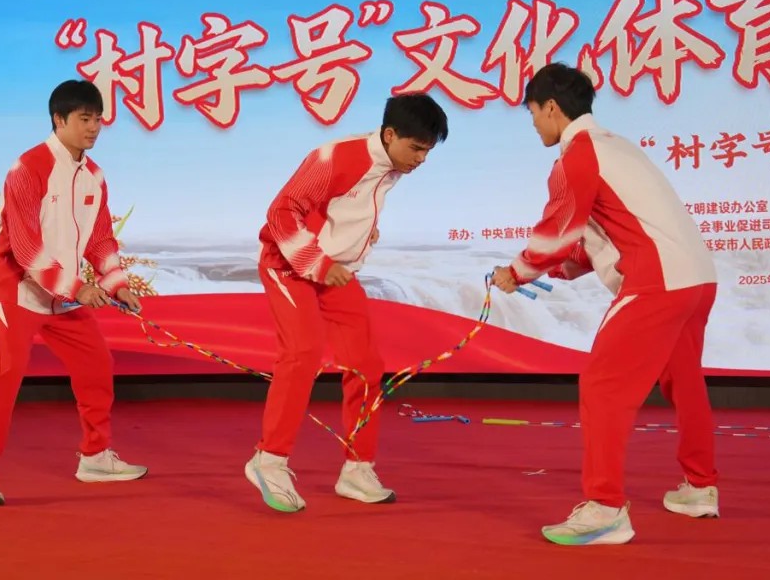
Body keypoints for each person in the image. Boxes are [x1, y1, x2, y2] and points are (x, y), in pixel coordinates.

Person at [491, 63, 720, 545]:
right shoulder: (617, 147)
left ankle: (606, 509)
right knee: (685, 382)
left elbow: (559, 228)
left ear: (551, 108)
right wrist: (550, 271)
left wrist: (517, 271)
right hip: (697, 278)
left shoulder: (578, 154)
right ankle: (700, 488)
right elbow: (601, 235)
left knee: (601, 385)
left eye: (532, 113)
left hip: (657, 281)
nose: (533, 124)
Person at [246, 93, 449, 513]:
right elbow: (281, 213)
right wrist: (319, 264)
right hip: (289, 266)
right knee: (303, 353)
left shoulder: (391, 165)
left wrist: (362, 236)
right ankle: (269, 460)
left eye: (428, 151)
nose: (421, 160)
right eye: (416, 148)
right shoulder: (334, 157)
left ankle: (358, 469)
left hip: (335, 273)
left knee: (366, 365)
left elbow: (344, 207)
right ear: (389, 135)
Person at [0, 79, 148, 507]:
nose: (94, 128)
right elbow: (26, 250)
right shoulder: (28, 168)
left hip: (62, 295)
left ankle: (95, 457)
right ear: (59, 120)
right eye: (85, 119)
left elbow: (101, 239)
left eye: (98, 119)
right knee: (8, 372)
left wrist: (117, 284)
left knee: (97, 363)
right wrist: (79, 288)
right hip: (16, 289)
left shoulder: (94, 176)